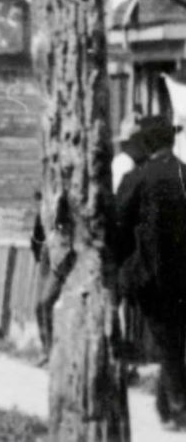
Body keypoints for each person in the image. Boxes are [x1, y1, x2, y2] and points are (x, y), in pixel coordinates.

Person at [115, 115, 186, 425]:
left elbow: (117, 226)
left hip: (151, 278)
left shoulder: (139, 179)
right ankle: (168, 408)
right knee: (175, 340)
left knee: (168, 342)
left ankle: (178, 408)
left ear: (147, 144)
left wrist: (122, 269)